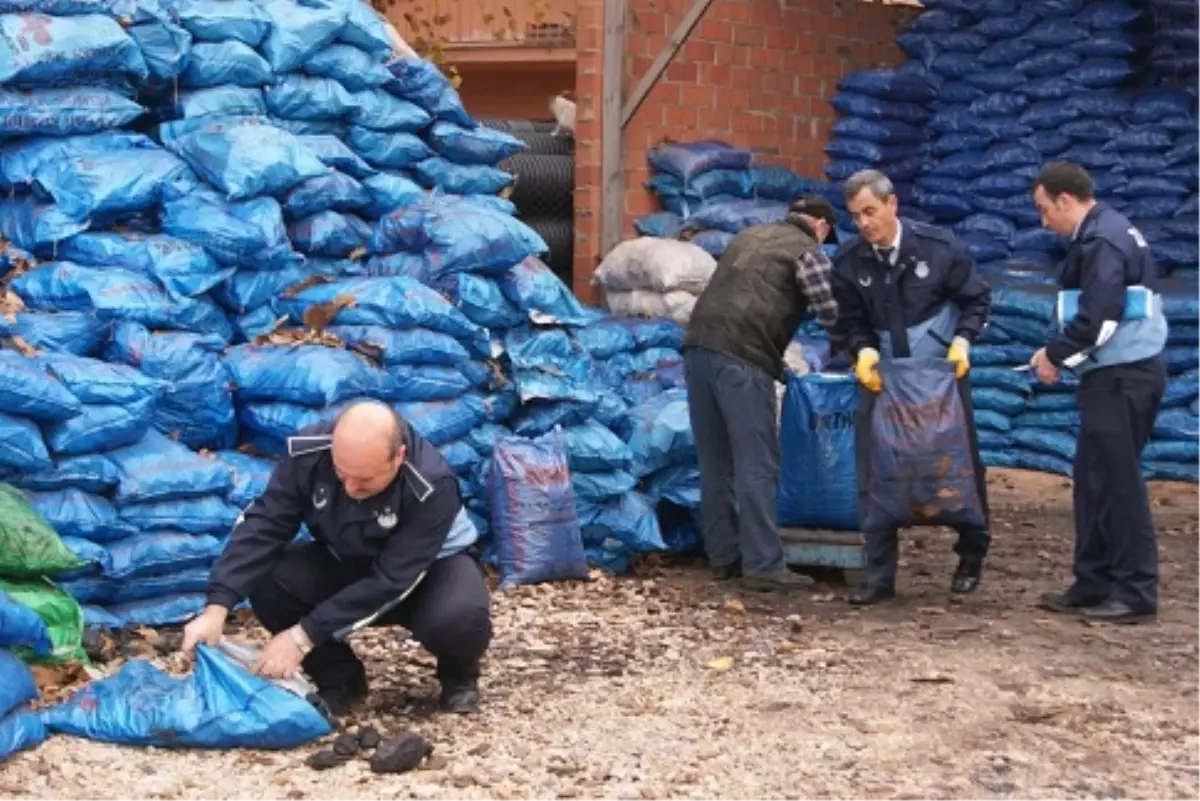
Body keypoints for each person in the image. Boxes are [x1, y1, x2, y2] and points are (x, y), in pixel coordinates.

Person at [180, 401, 492, 715]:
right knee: (268, 577)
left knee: (460, 618)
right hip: (349, 558)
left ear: (398, 458)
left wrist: (301, 637)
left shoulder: (431, 484)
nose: (351, 489)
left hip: (428, 571)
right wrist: (217, 606)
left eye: (365, 481)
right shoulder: (309, 453)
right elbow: (267, 523)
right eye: (342, 475)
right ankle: (340, 678)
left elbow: (391, 580)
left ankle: (459, 676)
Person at [831, 169, 992, 605]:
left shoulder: (938, 249)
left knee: (957, 465)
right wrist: (862, 351)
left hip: (941, 377)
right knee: (877, 470)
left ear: (892, 204)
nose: (864, 223)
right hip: (887, 379)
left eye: (870, 211)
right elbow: (850, 323)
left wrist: (962, 343)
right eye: (855, 216)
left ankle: (971, 554)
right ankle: (879, 576)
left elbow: (977, 299)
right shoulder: (849, 263)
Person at [1029, 162, 1168, 625]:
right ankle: (1093, 580)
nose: (1044, 221)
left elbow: (1101, 317)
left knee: (1118, 484)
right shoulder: (1104, 233)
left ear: (1066, 201)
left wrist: (1055, 355)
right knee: (1093, 481)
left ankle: (1135, 592)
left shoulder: (1104, 239)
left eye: (1045, 210)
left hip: (1122, 377)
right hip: (1111, 376)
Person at [682, 195, 842, 591]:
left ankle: (724, 556)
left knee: (716, 464)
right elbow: (833, 312)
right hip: (742, 359)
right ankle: (764, 565)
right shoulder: (807, 251)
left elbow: (744, 296)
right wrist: (862, 350)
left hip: (698, 350)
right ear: (821, 226)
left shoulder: (747, 236)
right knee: (758, 462)